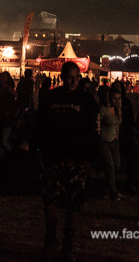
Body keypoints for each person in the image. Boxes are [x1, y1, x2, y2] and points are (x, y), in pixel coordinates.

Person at [34, 61, 99, 261]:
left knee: (74, 205)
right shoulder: (51, 97)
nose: (72, 81)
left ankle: (68, 245)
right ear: (62, 77)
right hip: (54, 157)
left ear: (80, 78)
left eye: (75, 77)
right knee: (50, 201)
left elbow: (93, 132)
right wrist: (41, 152)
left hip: (77, 159)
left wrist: (89, 159)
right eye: (69, 77)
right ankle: (52, 238)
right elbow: (40, 126)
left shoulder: (87, 101)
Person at [100, 88, 122, 200]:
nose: (117, 100)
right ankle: (112, 191)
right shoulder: (104, 109)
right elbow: (98, 121)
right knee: (110, 164)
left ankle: (107, 187)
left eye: (119, 98)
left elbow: (117, 124)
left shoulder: (117, 109)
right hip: (104, 140)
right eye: (115, 98)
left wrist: (117, 135)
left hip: (114, 139)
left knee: (117, 165)